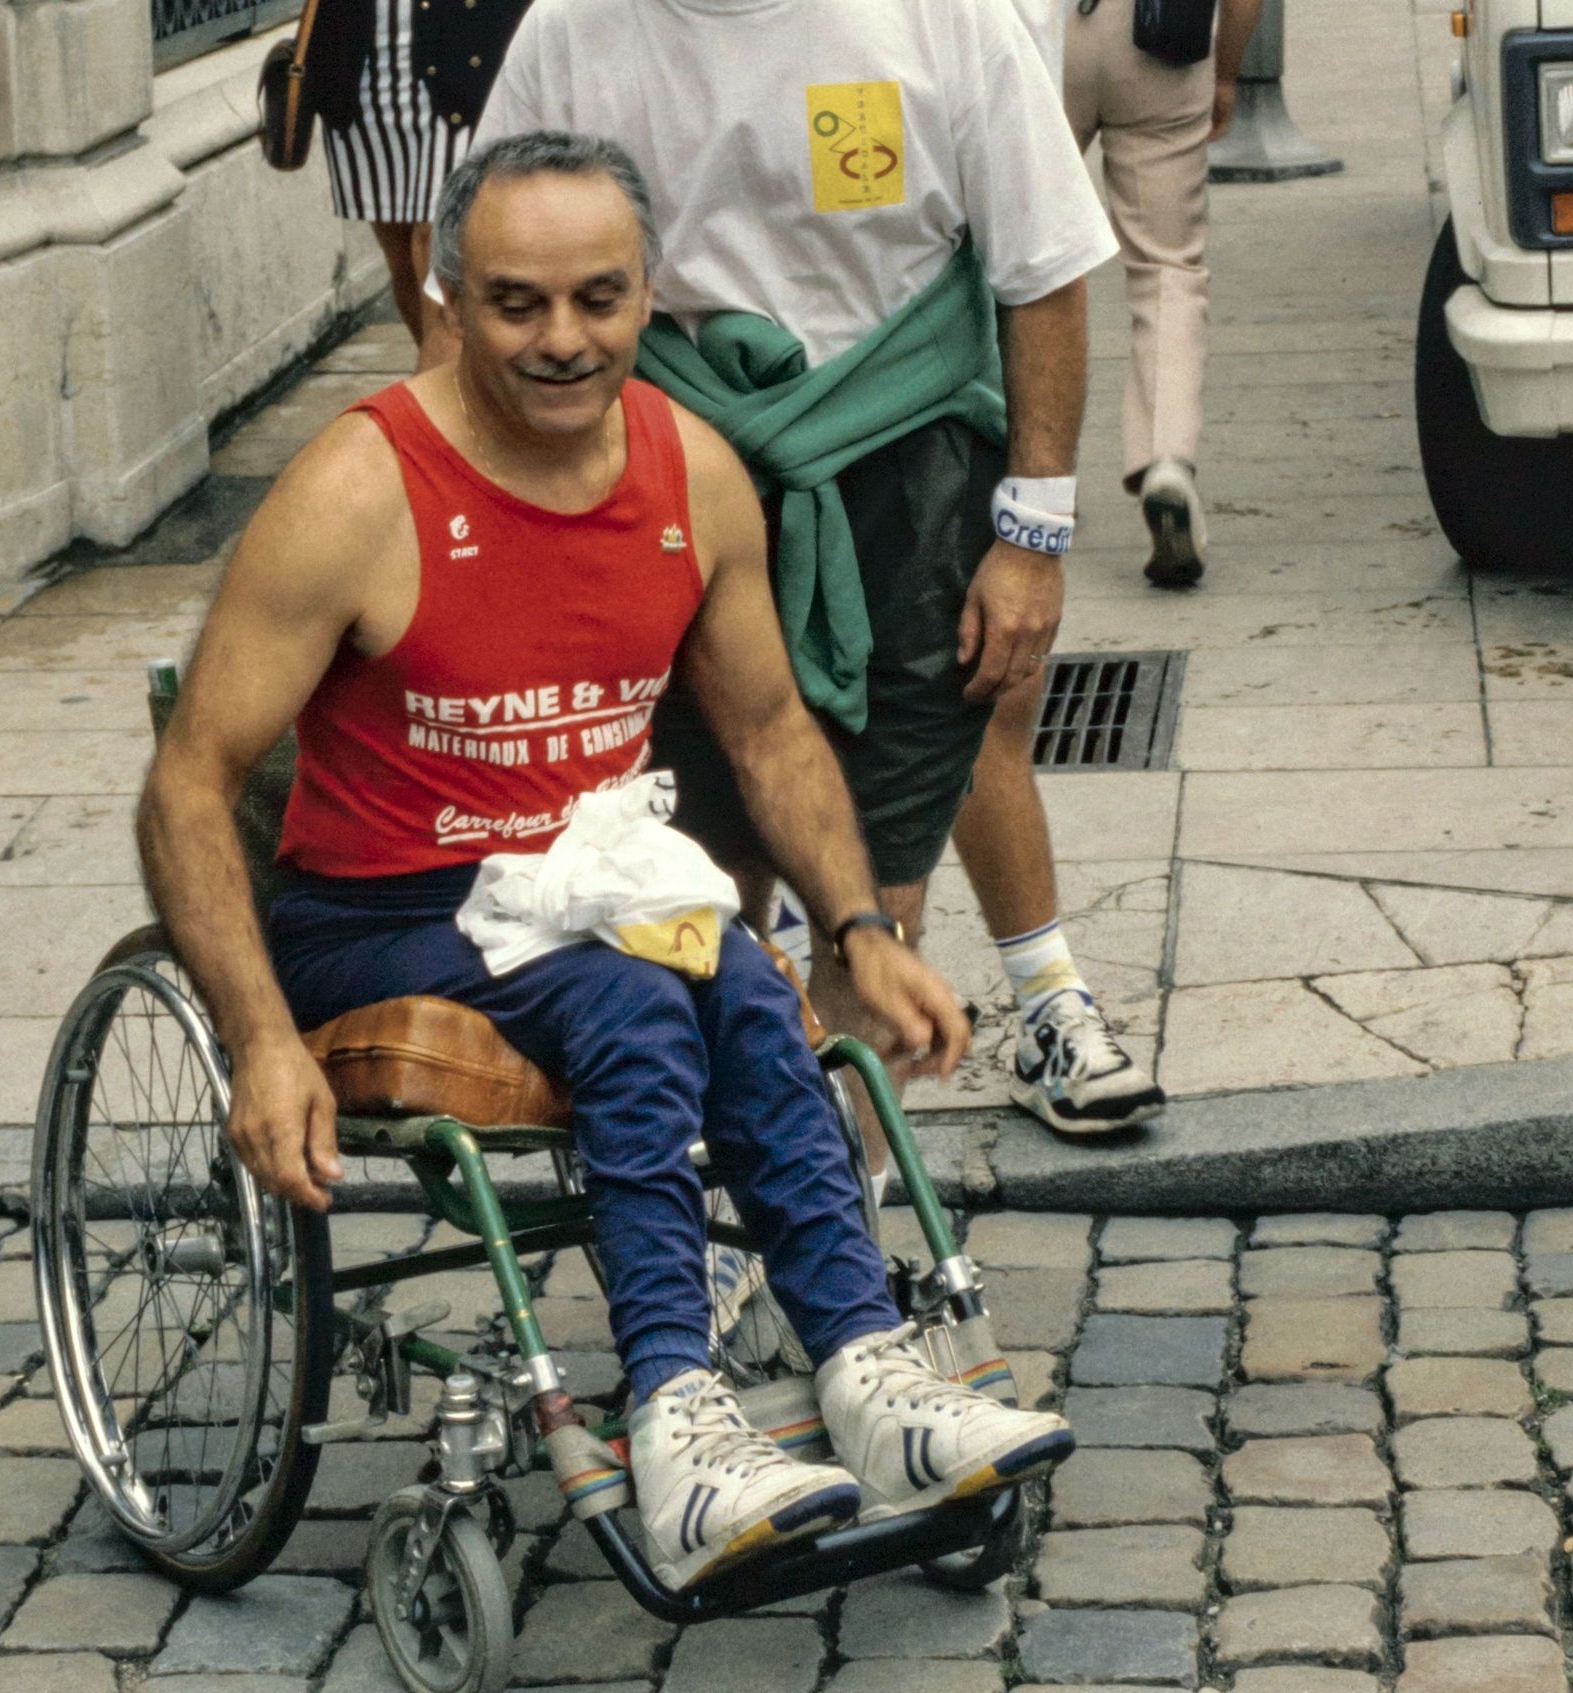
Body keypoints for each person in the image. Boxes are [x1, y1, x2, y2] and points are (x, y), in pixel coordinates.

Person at [136, 132, 1073, 1593]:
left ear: (651, 298)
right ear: (447, 299)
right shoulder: (357, 492)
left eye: (597, 299)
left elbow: (767, 732)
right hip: (380, 911)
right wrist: (259, 1041)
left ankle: (865, 1372)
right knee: (640, 997)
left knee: (749, 985)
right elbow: (188, 784)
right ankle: (677, 1422)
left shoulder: (692, 474)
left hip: (594, 887)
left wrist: (857, 924)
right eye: (515, 303)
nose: (561, 340)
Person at [470, 0, 1168, 1140]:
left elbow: (1043, 270)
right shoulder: (571, 30)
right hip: (670, 482)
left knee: (877, 905)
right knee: (691, 891)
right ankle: (716, 1208)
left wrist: (1033, 537)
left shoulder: (940, 17)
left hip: (915, 484)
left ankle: (836, 1225)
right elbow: (476, 286)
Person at [1065, 0, 1262, 588]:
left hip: (1045, 39)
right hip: (1160, 39)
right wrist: (1225, 75)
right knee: (1166, 269)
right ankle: (1165, 461)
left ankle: (1031, 476)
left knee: (1025, 262)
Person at [307, 0, 534, 358]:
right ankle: (441, 375)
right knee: (399, 255)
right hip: (364, 67)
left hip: (461, 56)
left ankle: (448, 384)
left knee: (437, 244)